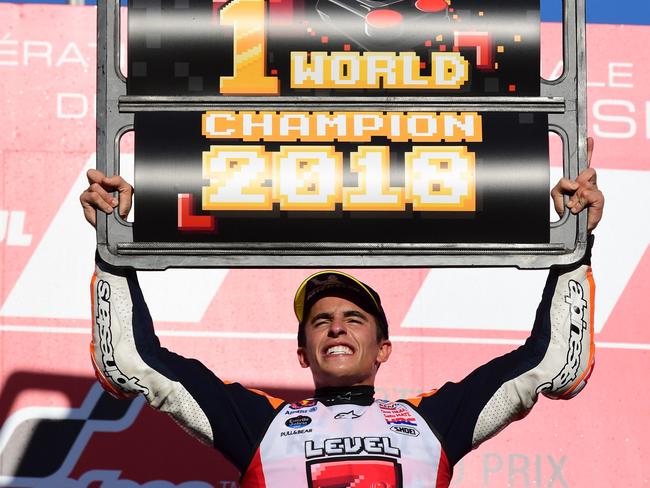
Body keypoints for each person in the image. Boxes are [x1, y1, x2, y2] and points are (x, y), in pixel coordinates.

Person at [80, 142, 604, 487]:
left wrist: (573, 242)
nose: (335, 326)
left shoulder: (430, 421)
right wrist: (114, 244)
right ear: (303, 353)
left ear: (383, 349)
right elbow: (130, 360)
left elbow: (554, 361)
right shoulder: (262, 423)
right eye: (320, 320)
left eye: (355, 319)